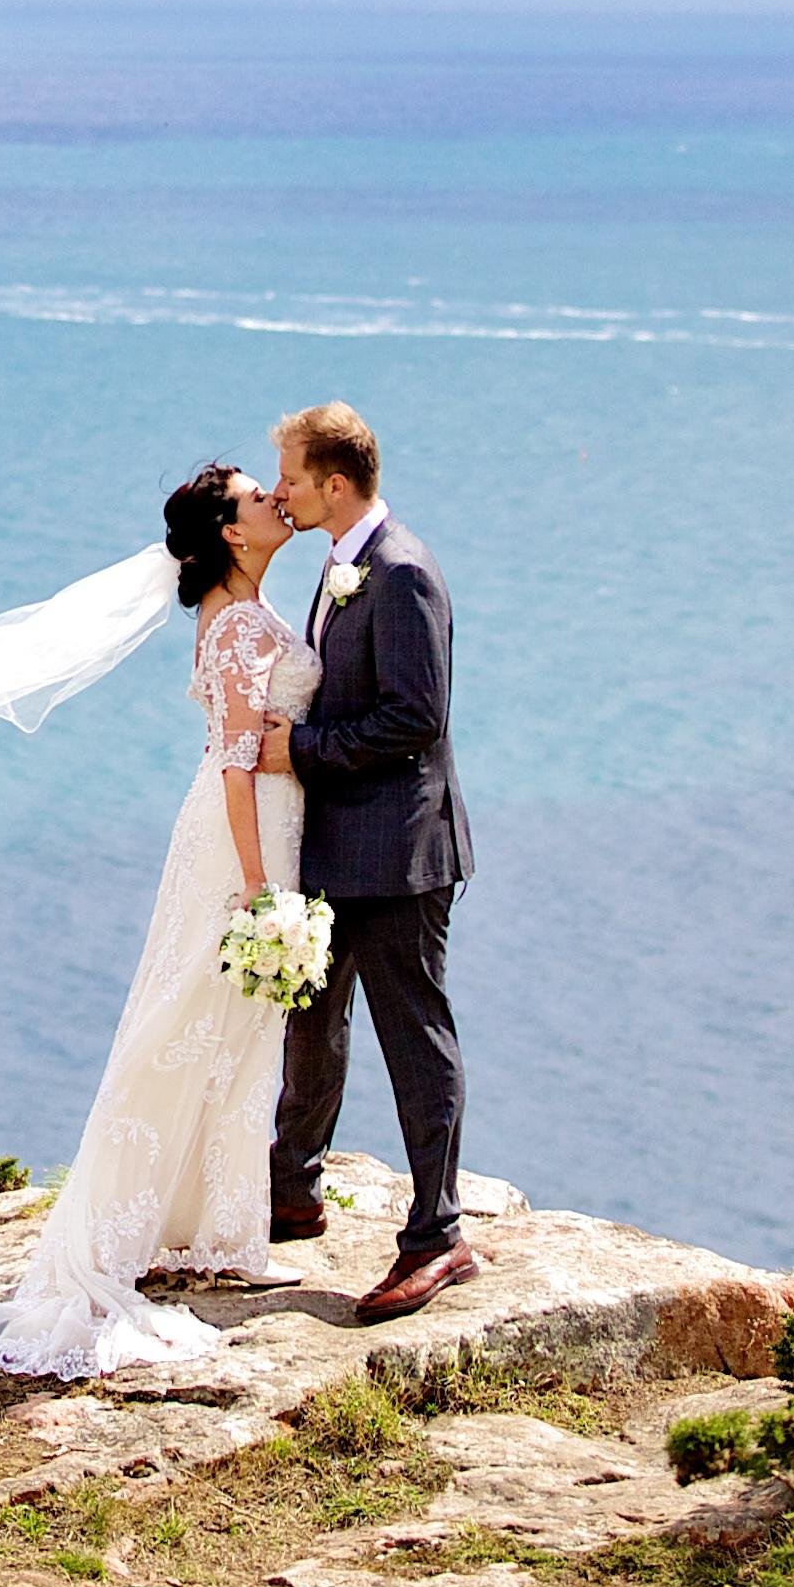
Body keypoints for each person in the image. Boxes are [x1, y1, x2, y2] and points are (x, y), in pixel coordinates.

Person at [0, 463, 318, 1380]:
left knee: (224, 1025)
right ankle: (124, 1231)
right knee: (184, 1022)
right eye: (253, 495)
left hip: (265, 825)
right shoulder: (234, 626)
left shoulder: (248, 611)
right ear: (231, 533)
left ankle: (197, 1225)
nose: (274, 496)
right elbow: (236, 762)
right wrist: (263, 888)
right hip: (241, 837)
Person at [265, 400, 477, 1320]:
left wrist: (299, 752)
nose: (282, 492)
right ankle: (291, 1190)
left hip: (400, 855)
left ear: (336, 485)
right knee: (311, 1018)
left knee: (412, 1037)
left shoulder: (401, 574)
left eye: (294, 479)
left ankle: (438, 1238)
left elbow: (414, 719)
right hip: (336, 846)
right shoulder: (340, 563)